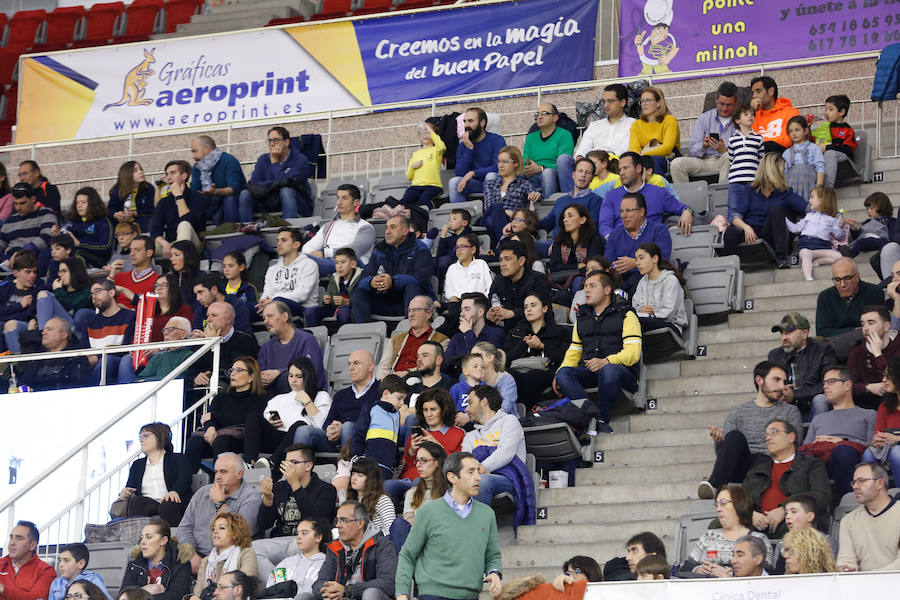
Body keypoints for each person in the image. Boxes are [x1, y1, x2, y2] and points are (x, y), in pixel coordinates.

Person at [395, 451, 503, 600]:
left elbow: (493, 555)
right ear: (452, 477)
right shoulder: (428, 512)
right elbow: (408, 555)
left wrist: (495, 573)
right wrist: (401, 593)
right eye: (471, 472)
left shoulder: (487, 514)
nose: (478, 477)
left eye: (478, 471)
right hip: (433, 594)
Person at [553, 270, 642, 432]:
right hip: (590, 371)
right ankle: (593, 418)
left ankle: (602, 417)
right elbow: (573, 353)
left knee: (609, 370)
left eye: (592, 286)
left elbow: (633, 353)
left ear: (607, 290)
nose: (586, 290)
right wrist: (559, 372)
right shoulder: (582, 318)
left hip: (620, 372)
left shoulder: (626, 314)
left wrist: (607, 361)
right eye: (585, 286)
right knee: (563, 374)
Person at [698, 361, 802, 499]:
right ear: (759, 380)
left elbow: (794, 445)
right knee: (734, 436)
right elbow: (722, 454)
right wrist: (720, 441)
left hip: (772, 464)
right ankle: (714, 486)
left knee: (761, 459)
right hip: (743, 464)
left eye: (783, 381)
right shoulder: (738, 412)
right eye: (776, 380)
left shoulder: (790, 411)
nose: (782, 387)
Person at [742, 419, 831, 539]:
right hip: (758, 526)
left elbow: (821, 496)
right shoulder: (756, 470)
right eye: (766, 435)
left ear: (791, 437)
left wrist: (785, 509)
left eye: (774, 432)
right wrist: (749, 514)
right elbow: (741, 499)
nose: (768, 438)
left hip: (793, 524)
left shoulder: (811, 465)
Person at [722, 153, 808, 267]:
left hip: (773, 234)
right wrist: (746, 227)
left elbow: (807, 208)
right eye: (783, 169)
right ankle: (729, 267)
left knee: (777, 211)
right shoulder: (750, 190)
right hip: (752, 231)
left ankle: (782, 260)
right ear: (773, 171)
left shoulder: (785, 193)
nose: (784, 173)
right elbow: (735, 217)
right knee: (730, 232)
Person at [803, 366, 876, 497]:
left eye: (831, 382)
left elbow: (874, 447)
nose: (825, 386)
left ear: (847, 385)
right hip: (820, 463)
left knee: (842, 451)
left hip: (850, 460)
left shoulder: (869, 415)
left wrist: (843, 442)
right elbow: (804, 449)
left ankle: (849, 500)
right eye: (824, 383)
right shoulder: (818, 419)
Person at [184, 357, 266, 474]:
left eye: (239, 370)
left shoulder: (260, 398)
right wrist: (210, 427)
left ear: (251, 376)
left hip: (242, 439)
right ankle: (187, 485)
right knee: (194, 441)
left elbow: (247, 420)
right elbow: (208, 417)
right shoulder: (221, 397)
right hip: (217, 435)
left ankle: (221, 482)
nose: (233, 373)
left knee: (221, 440)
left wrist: (215, 416)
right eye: (232, 370)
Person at [304, 501, 397, 600]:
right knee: (304, 597)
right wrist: (331, 592)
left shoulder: (382, 546)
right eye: (337, 520)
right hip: (340, 598)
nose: (338, 525)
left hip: (362, 596)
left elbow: (388, 583)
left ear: (360, 523)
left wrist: (347, 590)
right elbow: (319, 583)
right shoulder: (335, 547)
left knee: (371, 594)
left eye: (344, 520)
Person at [177, 453, 262, 560]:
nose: (217, 477)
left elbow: (243, 533)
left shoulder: (251, 497)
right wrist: (191, 555)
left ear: (239, 474)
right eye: (216, 472)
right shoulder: (202, 493)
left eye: (223, 472)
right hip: (195, 556)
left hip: (230, 559)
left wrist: (220, 504)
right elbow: (185, 527)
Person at [249, 357, 332, 467]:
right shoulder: (278, 399)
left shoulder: (321, 396)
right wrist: (270, 423)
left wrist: (308, 402)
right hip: (279, 439)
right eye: (290, 375)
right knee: (253, 417)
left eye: (299, 376)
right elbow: (265, 421)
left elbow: (322, 426)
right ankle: (249, 462)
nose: (293, 380)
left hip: (303, 441)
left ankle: (273, 462)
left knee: (299, 424)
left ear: (308, 376)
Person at [295, 350, 378, 453]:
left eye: (356, 363)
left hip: (365, 442)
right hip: (335, 444)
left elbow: (379, 423)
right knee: (303, 430)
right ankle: (296, 466)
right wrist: (331, 430)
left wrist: (343, 429)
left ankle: (348, 466)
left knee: (347, 427)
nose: (351, 368)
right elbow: (326, 425)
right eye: (349, 364)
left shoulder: (381, 391)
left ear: (370, 367)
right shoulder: (340, 395)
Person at [558, 83, 636, 193]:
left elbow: (630, 151)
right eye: (604, 101)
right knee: (563, 160)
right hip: (592, 166)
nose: (605, 105)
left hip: (617, 166)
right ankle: (573, 196)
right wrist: (584, 161)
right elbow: (582, 151)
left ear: (623, 102)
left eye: (611, 101)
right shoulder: (595, 125)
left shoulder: (633, 124)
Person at [680, 486, 773, 576]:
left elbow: (765, 572)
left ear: (739, 504)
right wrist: (698, 569)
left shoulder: (758, 539)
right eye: (716, 505)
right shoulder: (709, 536)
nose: (718, 509)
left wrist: (729, 573)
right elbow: (686, 567)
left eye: (723, 503)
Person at [461, 385, 528, 509]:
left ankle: (477, 527)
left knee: (482, 481)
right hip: (478, 477)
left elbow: (505, 453)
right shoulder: (470, 436)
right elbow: (466, 461)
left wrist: (481, 468)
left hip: (509, 478)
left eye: (470, 403)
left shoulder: (509, 421)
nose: (466, 409)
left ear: (484, 402)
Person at [596, 152, 692, 239]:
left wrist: (687, 212)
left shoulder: (658, 193)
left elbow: (682, 208)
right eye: (620, 169)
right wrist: (611, 238)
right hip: (621, 244)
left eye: (625, 168)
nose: (621, 173)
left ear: (638, 168)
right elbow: (604, 224)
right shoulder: (611, 195)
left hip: (650, 245)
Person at [118, 422, 192, 526]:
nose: (141, 440)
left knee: (168, 504)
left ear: (160, 436)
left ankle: (175, 538)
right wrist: (125, 493)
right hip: (148, 503)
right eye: (140, 437)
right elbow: (131, 487)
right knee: (137, 503)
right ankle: (139, 538)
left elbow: (185, 477)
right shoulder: (137, 465)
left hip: (172, 501)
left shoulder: (178, 458)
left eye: (146, 436)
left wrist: (175, 491)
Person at [258, 443, 337, 537]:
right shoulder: (278, 488)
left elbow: (316, 523)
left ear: (308, 466)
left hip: (309, 541)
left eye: (293, 462)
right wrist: (268, 500)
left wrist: (295, 484)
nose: (287, 467)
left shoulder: (327, 490)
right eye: (286, 463)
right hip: (279, 541)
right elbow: (264, 525)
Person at [505, 293, 570, 408]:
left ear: (544, 308)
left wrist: (542, 347)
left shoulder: (560, 332)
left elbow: (564, 358)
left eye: (533, 305)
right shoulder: (516, 333)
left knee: (533, 376)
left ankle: (525, 411)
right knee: (509, 376)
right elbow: (506, 359)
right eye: (525, 307)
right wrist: (525, 345)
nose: (529, 309)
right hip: (519, 370)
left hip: (547, 371)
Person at [815, 257, 886, 361]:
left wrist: (844, 333)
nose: (842, 285)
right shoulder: (825, 297)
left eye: (847, 278)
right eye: (837, 280)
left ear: (857, 277)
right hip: (836, 350)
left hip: (868, 348)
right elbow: (822, 332)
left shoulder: (874, 292)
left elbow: (875, 328)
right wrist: (854, 331)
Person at [768, 312, 835, 421]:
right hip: (788, 405)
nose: (784, 337)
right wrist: (782, 391)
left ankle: (819, 436)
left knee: (820, 400)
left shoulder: (822, 350)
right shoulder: (775, 355)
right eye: (782, 333)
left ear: (804, 333)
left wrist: (795, 394)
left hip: (813, 403)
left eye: (789, 332)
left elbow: (828, 384)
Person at [836, 461, 900, 571]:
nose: (855, 487)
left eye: (861, 481)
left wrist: (870, 578)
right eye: (854, 482)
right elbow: (846, 560)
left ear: (880, 483)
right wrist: (845, 569)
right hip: (862, 585)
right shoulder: (849, 520)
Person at [604, 192, 673, 294]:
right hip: (621, 283)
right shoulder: (614, 235)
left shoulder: (659, 230)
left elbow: (662, 261)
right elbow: (608, 263)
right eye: (621, 211)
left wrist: (636, 264)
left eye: (628, 210)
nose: (623, 215)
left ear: (641, 211)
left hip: (650, 283)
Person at [239, 126, 311, 221]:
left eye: (276, 140)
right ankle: (246, 230)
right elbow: (254, 183)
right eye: (269, 141)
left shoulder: (300, 160)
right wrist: (275, 184)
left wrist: (274, 162)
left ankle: (288, 230)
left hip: (298, 204)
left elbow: (287, 182)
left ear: (286, 142)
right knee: (245, 193)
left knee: (286, 190)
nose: (272, 144)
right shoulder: (263, 159)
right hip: (268, 201)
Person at [670, 81, 737, 183]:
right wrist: (703, 145)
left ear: (735, 103)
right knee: (676, 164)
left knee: (728, 156)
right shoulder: (704, 118)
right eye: (721, 104)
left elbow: (743, 152)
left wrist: (724, 150)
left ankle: (722, 196)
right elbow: (692, 149)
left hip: (727, 161)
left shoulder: (740, 119)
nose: (724, 108)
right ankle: (686, 198)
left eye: (729, 105)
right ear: (716, 100)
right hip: (704, 160)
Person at [301, 184, 375, 275]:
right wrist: (314, 254)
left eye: (344, 198)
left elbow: (352, 251)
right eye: (338, 198)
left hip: (354, 266)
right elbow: (306, 248)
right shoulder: (328, 226)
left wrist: (324, 254)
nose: (339, 202)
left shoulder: (366, 227)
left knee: (302, 262)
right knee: (298, 259)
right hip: (328, 263)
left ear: (356, 202)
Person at [257, 301, 327, 393]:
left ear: (285, 317)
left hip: (306, 397)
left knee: (286, 379)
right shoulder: (266, 348)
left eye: (270, 316)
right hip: (273, 400)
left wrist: (279, 373)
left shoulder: (307, 341)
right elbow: (260, 375)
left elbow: (312, 374)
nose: (266, 321)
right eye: (264, 318)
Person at [349, 375, 410, 481]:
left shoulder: (397, 415)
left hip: (388, 468)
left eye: (404, 399)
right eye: (399, 398)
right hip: (370, 466)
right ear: (386, 394)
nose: (402, 403)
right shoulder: (371, 408)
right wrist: (356, 456)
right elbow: (359, 434)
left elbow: (394, 442)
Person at [3, 317, 90, 391]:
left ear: (64, 335)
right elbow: (23, 384)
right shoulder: (37, 359)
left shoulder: (76, 357)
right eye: (44, 329)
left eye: (49, 329)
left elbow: (78, 387)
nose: (43, 333)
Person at [190, 302, 260, 390]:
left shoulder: (244, 340)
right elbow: (192, 369)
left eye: (214, 315)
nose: (208, 320)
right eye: (208, 316)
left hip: (230, 389)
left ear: (228, 320)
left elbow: (231, 371)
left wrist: (214, 345)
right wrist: (197, 376)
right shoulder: (203, 342)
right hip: (204, 389)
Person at [376, 295, 448, 379]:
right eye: (409, 310)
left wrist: (408, 373)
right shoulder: (396, 339)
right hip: (392, 383)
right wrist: (384, 380)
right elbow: (383, 366)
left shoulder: (441, 340)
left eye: (415, 310)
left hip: (419, 381)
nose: (411, 314)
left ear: (428, 314)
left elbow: (433, 366)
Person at [189, 513, 258, 600]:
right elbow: (197, 593)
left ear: (235, 533)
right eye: (214, 529)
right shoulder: (206, 561)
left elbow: (245, 586)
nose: (215, 531)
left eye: (221, 528)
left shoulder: (246, 554)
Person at [487, 240, 551, 331]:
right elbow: (491, 305)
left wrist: (512, 313)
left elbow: (542, 311)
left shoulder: (538, 280)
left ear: (521, 261)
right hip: (508, 333)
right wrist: (489, 315)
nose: (503, 264)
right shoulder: (499, 280)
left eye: (507, 259)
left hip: (537, 331)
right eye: (501, 260)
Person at [481, 146, 540, 244]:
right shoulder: (490, 184)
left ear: (515, 163)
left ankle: (502, 244)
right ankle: (506, 243)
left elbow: (533, 193)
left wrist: (536, 194)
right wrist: (506, 211)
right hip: (490, 218)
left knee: (494, 216)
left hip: (512, 222)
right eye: (499, 161)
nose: (500, 165)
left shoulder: (523, 184)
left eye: (505, 162)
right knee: (495, 208)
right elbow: (489, 207)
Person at [256, 228, 318, 320]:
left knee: (278, 303)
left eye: (284, 240)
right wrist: (264, 302)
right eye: (277, 241)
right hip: (273, 306)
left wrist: (273, 300)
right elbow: (267, 293)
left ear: (296, 244)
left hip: (301, 309)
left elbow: (302, 295)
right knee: (245, 308)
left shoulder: (309, 264)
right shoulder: (272, 269)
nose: (279, 244)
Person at [84, 278, 137, 385]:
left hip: (120, 361)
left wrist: (97, 357)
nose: (94, 297)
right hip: (99, 363)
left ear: (111, 292)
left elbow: (126, 349)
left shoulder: (130, 317)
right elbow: (84, 349)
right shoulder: (90, 322)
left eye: (98, 291)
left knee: (107, 361)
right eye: (92, 294)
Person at [449, 107, 506, 203]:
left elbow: (499, 167)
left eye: (470, 121)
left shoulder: (497, 140)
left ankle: (491, 214)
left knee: (491, 176)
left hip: (496, 183)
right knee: (454, 182)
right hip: (476, 184)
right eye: (465, 121)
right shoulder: (464, 145)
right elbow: (459, 173)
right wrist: (469, 149)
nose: (466, 125)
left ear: (482, 123)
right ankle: (460, 216)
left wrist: (473, 173)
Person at [150, 160, 207, 257]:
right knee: (143, 247)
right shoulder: (164, 202)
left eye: (173, 173)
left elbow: (189, 221)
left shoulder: (198, 197)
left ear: (184, 176)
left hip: (193, 244)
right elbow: (155, 231)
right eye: (166, 174)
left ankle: (179, 257)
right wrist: (165, 244)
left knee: (184, 225)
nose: (168, 177)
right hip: (170, 243)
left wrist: (179, 197)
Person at [786, 185, 843, 281]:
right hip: (806, 245)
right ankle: (809, 278)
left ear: (822, 200)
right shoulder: (808, 216)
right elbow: (795, 228)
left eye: (812, 197)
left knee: (839, 256)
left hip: (822, 247)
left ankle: (817, 262)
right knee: (806, 254)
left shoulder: (832, 220)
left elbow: (838, 235)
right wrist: (784, 220)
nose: (809, 201)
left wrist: (840, 227)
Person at [848, 305, 900, 410]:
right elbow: (848, 385)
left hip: (893, 401)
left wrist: (877, 354)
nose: (866, 328)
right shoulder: (857, 351)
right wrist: (867, 387)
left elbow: (896, 381)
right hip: (864, 405)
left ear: (886, 326)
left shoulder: (898, 346)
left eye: (871, 323)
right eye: (863, 324)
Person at [264, 519, 331, 597]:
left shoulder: (328, 564)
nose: (298, 537)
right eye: (298, 533)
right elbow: (273, 588)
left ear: (318, 537)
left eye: (304, 533)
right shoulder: (286, 563)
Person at [631, 242, 687, 335]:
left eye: (641, 258)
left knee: (634, 322)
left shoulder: (671, 280)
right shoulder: (642, 282)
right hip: (647, 324)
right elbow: (635, 306)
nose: (637, 263)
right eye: (636, 259)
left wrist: (648, 315)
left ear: (655, 259)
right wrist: (641, 309)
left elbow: (668, 314)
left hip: (670, 327)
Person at [189, 135, 246, 225]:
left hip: (232, 202)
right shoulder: (197, 167)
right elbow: (194, 190)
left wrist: (215, 192)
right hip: (210, 204)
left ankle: (231, 232)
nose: (193, 156)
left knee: (229, 200)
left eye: (195, 151)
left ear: (207, 149)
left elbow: (234, 188)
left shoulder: (228, 160)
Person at [538, 158, 602, 236]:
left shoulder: (596, 201)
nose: (583, 175)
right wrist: (526, 222)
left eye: (588, 172)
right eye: (580, 171)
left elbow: (592, 228)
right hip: (554, 244)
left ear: (592, 178)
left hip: (578, 245)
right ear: (573, 175)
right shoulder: (561, 200)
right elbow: (546, 224)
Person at [549, 204, 605, 291]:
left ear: (582, 220)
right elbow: (554, 266)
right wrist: (577, 265)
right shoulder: (559, 240)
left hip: (585, 279)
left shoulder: (594, 239)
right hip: (560, 280)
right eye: (564, 217)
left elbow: (591, 266)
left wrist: (568, 267)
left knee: (578, 280)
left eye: (570, 216)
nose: (565, 220)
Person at [522, 103, 574, 196]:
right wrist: (528, 167)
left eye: (544, 113)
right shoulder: (531, 137)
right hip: (532, 175)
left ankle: (548, 206)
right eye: (537, 114)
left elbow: (563, 165)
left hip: (554, 176)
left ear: (555, 118)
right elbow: (525, 160)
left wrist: (541, 168)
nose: (539, 117)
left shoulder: (564, 135)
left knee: (547, 173)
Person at [0, 183, 57, 268]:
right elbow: (1, 242)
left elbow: (47, 237)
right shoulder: (10, 220)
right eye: (15, 204)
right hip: (8, 262)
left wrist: (23, 252)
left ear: (33, 199)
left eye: (22, 203)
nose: (18, 208)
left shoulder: (46, 213)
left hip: (31, 260)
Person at [861, 355, 900, 476]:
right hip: (888, 451)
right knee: (868, 453)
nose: (884, 380)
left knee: (896, 452)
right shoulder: (885, 406)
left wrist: (896, 439)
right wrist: (877, 441)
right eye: (884, 375)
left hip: (896, 450)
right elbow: (877, 434)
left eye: (888, 376)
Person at [727, 103, 765, 224]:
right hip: (735, 181)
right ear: (737, 120)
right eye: (746, 114)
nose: (750, 116)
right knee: (733, 208)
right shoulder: (732, 140)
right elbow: (731, 160)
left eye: (752, 114)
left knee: (753, 208)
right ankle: (732, 230)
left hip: (753, 181)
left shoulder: (759, 138)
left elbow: (761, 160)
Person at [628, 86, 680, 175]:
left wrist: (644, 154)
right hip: (644, 158)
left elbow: (667, 149)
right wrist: (641, 156)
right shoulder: (636, 124)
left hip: (669, 158)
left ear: (659, 103)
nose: (644, 104)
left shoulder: (670, 120)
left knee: (653, 161)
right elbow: (633, 149)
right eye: (642, 101)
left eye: (648, 100)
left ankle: (657, 188)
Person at [57, 187, 113, 268]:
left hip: (98, 259)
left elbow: (106, 246)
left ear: (93, 203)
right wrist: (58, 236)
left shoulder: (102, 221)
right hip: (77, 253)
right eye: (77, 203)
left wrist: (80, 244)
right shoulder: (74, 221)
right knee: (54, 253)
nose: (79, 205)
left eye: (83, 202)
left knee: (77, 252)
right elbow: (67, 236)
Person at [0, 521, 55, 600]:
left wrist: (3, 589)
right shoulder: (1, 563)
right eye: (11, 538)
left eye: (19, 538)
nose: (11, 543)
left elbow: (37, 598)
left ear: (32, 545)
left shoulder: (46, 571)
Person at [0, 252, 47, 344]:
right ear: (16, 273)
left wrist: (5, 315)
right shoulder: (5, 289)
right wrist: (20, 306)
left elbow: (27, 315)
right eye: (28, 272)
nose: (32, 276)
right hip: (5, 323)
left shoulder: (36, 291)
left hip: (24, 326)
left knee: (9, 325)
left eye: (34, 272)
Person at [346, 457, 396, 536]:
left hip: (378, 544)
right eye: (353, 474)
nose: (354, 478)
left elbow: (391, 530)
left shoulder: (383, 500)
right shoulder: (351, 500)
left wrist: (370, 537)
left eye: (360, 475)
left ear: (370, 479)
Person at [750, 76, 800, 153]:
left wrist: (761, 144)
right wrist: (751, 111)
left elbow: (788, 140)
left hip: (781, 156)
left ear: (771, 91)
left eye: (758, 91)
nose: (754, 96)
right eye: (752, 93)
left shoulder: (790, 112)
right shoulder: (754, 115)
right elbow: (747, 139)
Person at [818, 94, 858, 188]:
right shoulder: (823, 128)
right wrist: (807, 126)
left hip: (844, 162)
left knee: (830, 153)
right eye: (826, 109)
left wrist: (826, 148)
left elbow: (847, 149)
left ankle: (828, 190)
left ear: (841, 112)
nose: (827, 113)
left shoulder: (847, 130)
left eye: (830, 109)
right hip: (828, 161)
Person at [444, 233, 493, 309]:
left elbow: (490, 287)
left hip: (478, 303)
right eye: (457, 247)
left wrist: (482, 299)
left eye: (463, 246)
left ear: (473, 249)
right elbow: (448, 290)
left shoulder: (481, 264)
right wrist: (453, 297)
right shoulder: (452, 268)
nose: (459, 250)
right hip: (459, 303)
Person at [137, 316, 194, 382]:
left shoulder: (190, 355)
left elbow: (183, 378)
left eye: (170, 329)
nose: (165, 333)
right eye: (164, 330)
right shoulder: (158, 357)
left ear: (184, 334)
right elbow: (140, 379)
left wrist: (151, 380)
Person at [402, 124, 445, 209]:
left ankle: (431, 217)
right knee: (404, 202)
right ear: (419, 137)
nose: (425, 135)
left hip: (433, 186)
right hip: (416, 186)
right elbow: (409, 176)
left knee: (424, 200)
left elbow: (442, 146)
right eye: (422, 133)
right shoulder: (415, 154)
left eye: (428, 133)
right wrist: (413, 167)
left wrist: (430, 130)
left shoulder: (436, 150)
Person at [783, 116, 826, 201]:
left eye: (797, 130)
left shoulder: (814, 148)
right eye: (791, 131)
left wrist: (819, 185)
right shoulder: (786, 153)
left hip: (809, 185)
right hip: (792, 187)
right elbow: (783, 173)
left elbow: (820, 166)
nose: (794, 133)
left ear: (806, 130)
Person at [108, 161, 157, 232]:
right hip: (122, 223)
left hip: (141, 222)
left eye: (141, 169)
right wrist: (116, 214)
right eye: (135, 171)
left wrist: (135, 213)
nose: (141, 172)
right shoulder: (118, 190)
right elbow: (110, 208)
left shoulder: (148, 188)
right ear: (127, 175)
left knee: (151, 220)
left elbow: (152, 209)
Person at [841, 192, 894, 258]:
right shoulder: (867, 222)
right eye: (867, 208)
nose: (868, 211)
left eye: (871, 208)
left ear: (881, 207)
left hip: (881, 240)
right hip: (865, 240)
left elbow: (894, 233)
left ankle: (850, 254)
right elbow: (859, 236)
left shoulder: (889, 220)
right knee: (859, 242)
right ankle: (846, 250)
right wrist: (853, 228)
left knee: (861, 242)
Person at [111, 235, 158, 308]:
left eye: (137, 250)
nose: (132, 254)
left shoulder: (157, 281)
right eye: (131, 250)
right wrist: (111, 276)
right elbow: (101, 301)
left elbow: (152, 308)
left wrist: (127, 312)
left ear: (149, 253)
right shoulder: (119, 276)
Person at [471, 341, 517, 415]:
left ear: (490, 358)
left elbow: (505, 408)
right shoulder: (472, 379)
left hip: (505, 422)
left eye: (477, 356)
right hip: (480, 423)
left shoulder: (506, 379)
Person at [603, 532, 668, 581]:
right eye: (629, 551)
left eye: (635, 550)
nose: (627, 558)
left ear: (652, 556)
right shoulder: (615, 569)